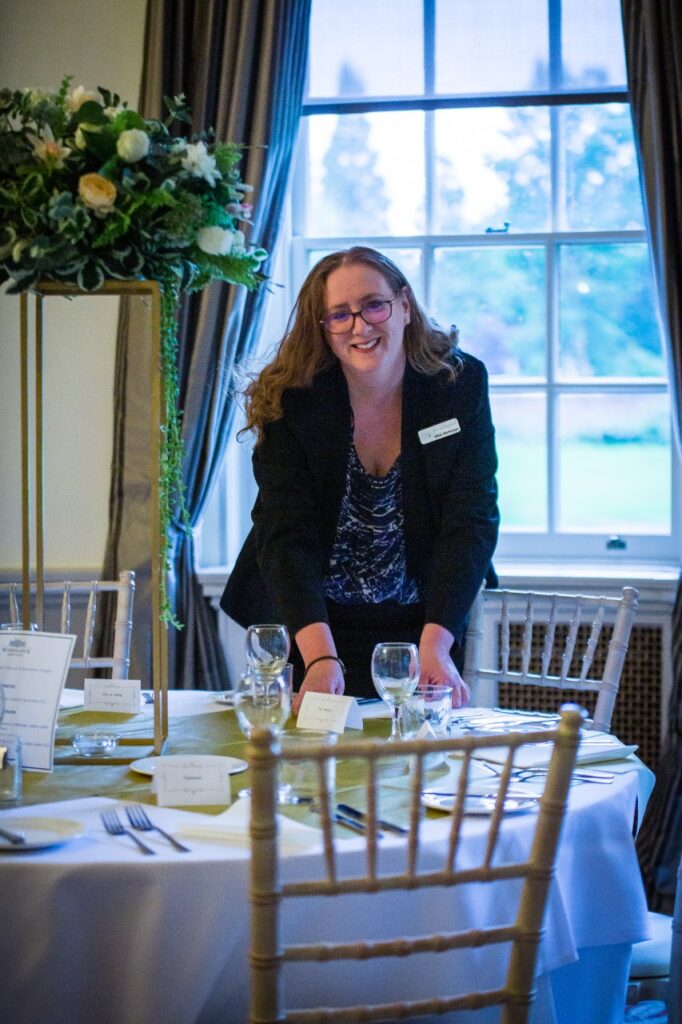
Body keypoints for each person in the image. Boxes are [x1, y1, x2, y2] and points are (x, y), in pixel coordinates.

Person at [221, 246, 499, 710]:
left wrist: (436, 643)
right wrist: (318, 657)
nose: (360, 326)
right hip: (309, 622)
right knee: (309, 751)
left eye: (374, 305)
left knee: (419, 752)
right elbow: (285, 533)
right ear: (323, 329)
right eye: (339, 315)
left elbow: (471, 519)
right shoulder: (290, 398)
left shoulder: (457, 384)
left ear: (404, 306)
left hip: (422, 623)